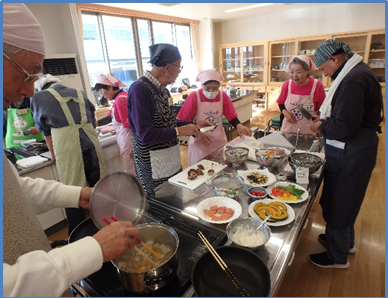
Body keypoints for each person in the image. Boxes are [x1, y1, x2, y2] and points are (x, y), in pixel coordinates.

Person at [3, 3, 138, 297]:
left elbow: (12, 190)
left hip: (45, 276)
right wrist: (93, 249)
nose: (28, 92)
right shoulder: (76, 93)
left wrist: (78, 195)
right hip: (88, 147)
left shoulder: (42, 97)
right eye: (27, 75)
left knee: (86, 190)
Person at [308, 39, 383, 268]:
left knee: (341, 199)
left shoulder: (353, 79)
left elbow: (345, 127)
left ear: (335, 59)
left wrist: (320, 127)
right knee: (348, 198)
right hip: (359, 146)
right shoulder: (359, 70)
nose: (326, 74)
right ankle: (344, 243)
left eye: (324, 68)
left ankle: (336, 256)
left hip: (352, 150)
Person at [127, 43, 209, 198]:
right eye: (179, 66)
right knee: (159, 208)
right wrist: (181, 131)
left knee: (175, 201)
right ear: (168, 67)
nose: (179, 72)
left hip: (171, 161)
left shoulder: (163, 90)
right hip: (153, 167)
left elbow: (168, 123)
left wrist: (192, 125)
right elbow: (146, 134)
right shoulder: (140, 89)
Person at [31, 74, 108, 235]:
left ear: (42, 87)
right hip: (91, 144)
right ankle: (105, 227)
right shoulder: (79, 92)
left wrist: (54, 154)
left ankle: (77, 236)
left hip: (68, 147)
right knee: (98, 190)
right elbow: (92, 119)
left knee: (72, 193)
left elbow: (45, 129)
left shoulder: (39, 97)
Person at [177, 68, 252, 166]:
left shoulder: (222, 96)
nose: (211, 91)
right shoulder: (194, 97)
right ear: (201, 84)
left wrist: (239, 126)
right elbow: (184, 122)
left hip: (218, 142)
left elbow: (231, 115)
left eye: (215, 88)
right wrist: (198, 134)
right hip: (199, 145)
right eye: (207, 88)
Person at [94, 74, 136, 175]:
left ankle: (134, 190)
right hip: (125, 139)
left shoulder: (121, 100)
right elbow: (109, 117)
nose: (102, 95)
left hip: (128, 140)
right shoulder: (120, 98)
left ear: (109, 87)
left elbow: (131, 125)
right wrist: (94, 123)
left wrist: (133, 147)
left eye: (101, 91)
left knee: (131, 171)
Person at [276, 55, 326, 136]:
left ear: (308, 71)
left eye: (298, 72)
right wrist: (285, 113)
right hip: (289, 130)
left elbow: (323, 109)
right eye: (292, 72)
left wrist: (320, 119)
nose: (294, 76)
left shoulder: (317, 85)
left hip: (309, 131)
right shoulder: (287, 85)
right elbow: (281, 103)